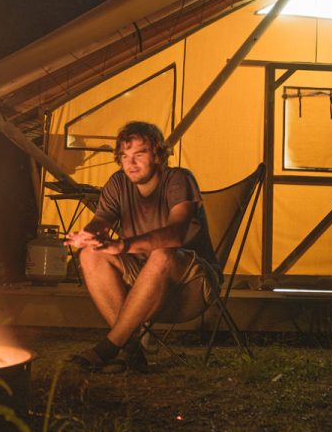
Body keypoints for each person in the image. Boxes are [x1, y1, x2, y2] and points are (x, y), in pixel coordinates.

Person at [65, 121, 219, 373]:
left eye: (140, 154)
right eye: (125, 156)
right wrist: (89, 236)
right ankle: (132, 352)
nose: (131, 163)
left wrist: (124, 245)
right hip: (142, 285)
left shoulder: (178, 179)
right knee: (91, 255)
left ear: (158, 155)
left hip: (191, 285)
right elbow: (101, 222)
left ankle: (108, 348)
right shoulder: (118, 183)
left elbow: (176, 234)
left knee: (162, 252)